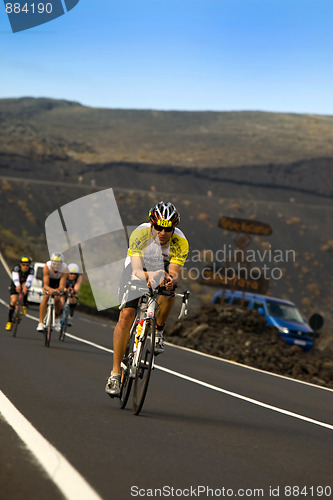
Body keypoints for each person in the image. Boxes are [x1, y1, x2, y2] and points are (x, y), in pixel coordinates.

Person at [105, 201, 189, 397]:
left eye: (167, 229)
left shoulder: (180, 242)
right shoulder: (140, 234)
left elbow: (175, 272)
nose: (162, 232)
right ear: (152, 224)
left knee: (171, 288)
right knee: (126, 316)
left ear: (174, 228)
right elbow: (136, 270)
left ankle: (158, 331)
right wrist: (149, 276)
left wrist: (169, 280)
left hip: (162, 268)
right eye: (158, 227)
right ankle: (115, 374)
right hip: (138, 271)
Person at [36, 252, 69, 332]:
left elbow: (62, 285)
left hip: (58, 282)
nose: (56, 266)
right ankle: (40, 323)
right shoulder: (46, 267)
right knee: (46, 297)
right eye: (54, 263)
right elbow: (46, 285)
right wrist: (50, 290)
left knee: (57, 299)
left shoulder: (65, 268)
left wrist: (58, 290)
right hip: (49, 281)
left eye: (58, 264)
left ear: (61, 263)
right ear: (51, 262)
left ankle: (57, 318)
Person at [5, 256, 34, 331]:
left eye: (27, 265)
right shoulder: (16, 268)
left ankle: (24, 304)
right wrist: (17, 285)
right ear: (20, 265)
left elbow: (30, 280)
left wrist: (26, 286)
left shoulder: (31, 270)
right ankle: (9, 322)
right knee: (14, 300)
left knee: (25, 288)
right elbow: (15, 278)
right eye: (23, 265)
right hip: (15, 283)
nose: (25, 267)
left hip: (24, 283)